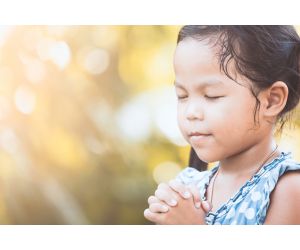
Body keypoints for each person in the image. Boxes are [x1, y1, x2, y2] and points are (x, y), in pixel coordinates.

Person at [144, 25, 300, 225]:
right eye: (182, 96)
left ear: (271, 100)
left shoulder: (287, 189)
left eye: (211, 96)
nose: (191, 113)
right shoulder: (189, 187)